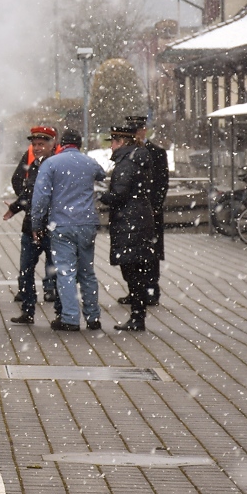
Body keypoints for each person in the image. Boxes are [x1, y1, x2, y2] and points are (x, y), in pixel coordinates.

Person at [31, 129, 106, 332]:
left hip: (62, 224)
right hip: (87, 224)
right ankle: (93, 317)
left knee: (65, 272)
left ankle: (70, 318)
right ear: (79, 144)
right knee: (87, 272)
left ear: (61, 144)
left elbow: (40, 198)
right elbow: (102, 174)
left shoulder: (51, 163)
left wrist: (36, 224)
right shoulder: (89, 162)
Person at [99, 124, 156, 332]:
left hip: (129, 222)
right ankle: (138, 315)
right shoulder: (139, 159)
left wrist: (102, 196)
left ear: (121, 142)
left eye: (113, 142)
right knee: (136, 270)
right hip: (140, 218)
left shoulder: (126, 163)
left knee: (132, 271)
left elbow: (120, 194)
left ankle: (137, 317)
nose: (111, 147)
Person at [3, 126, 58, 325]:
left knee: (57, 272)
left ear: (52, 145)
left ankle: (61, 313)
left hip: (51, 227)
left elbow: (40, 194)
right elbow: (29, 193)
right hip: (31, 227)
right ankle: (27, 310)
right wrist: (16, 208)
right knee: (26, 271)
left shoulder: (55, 165)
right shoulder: (34, 165)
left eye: (41, 144)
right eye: (34, 145)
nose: (36, 148)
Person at [121, 115, 168, 307]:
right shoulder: (126, 150)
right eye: (130, 130)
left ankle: (150, 291)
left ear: (144, 130)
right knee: (130, 254)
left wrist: (154, 208)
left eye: (136, 129)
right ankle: (135, 291)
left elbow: (161, 183)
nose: (134, 133)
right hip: (131, 212)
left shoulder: (156, 152)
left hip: (149, 211)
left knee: (150, 253)